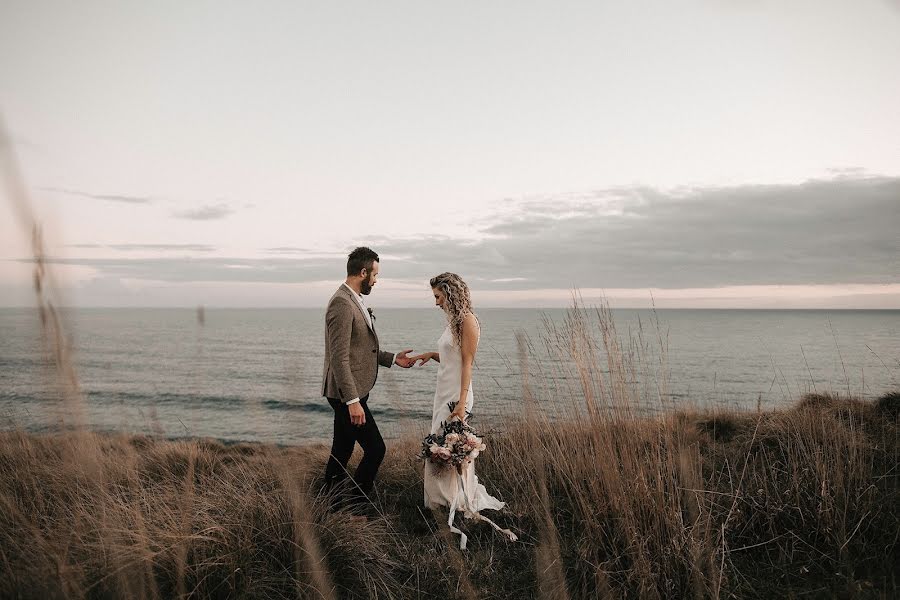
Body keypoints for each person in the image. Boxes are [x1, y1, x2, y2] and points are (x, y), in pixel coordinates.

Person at [410, 272, 516, 548]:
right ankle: (440, 501)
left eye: (437, 297)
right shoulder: (453, 322)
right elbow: (451, 358)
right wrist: (429, 355)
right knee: (439, 444)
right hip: (443, 392)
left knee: (450, 448)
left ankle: (453, 502)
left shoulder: (468, 321)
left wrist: (460, 402)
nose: (435, 303)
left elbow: (467, 364)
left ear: (450, 293)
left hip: (456, 396)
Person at [321, 246, 414, 512]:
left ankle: (332, 507)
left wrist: (393, 357)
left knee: (342, 452)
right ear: (363, 272)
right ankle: (356, 509)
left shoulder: (354, 299)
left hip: (352, 391)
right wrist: (352, 401)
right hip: (345, 394)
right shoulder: (341, 303)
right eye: (374, 274)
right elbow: (339, 358)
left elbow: (360, 348)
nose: (376, 280)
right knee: (376, 450)